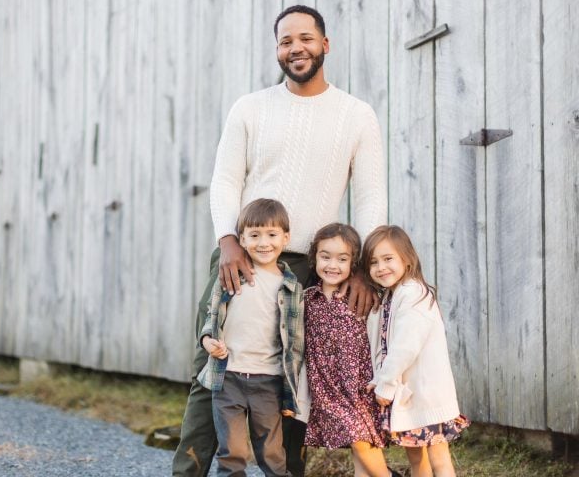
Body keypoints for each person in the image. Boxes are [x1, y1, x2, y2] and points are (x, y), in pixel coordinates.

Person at [172, 4, 388, 477]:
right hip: (242, 256)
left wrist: (361, 269)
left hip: (310, 268)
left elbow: (371, 197)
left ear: (325, 45)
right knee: (212, 369)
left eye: (306, 38)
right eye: (286, 40)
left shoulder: (356, 115)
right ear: (277, 49)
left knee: (294, 379)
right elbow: (226, 180)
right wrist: (227, 241)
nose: (297, 48)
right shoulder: (250, 107)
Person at [198, 198, 303, 476]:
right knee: (232, 452)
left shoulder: (291, 286)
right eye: (254, 235)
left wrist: (292, 391)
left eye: (271, 234)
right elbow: (212, 317)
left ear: (286, 238)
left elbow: (296, 341)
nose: (263, 243)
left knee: (271, 452)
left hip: (267, 381)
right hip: (228, 377)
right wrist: (208, 341)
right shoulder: (232, 276)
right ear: (242, 239)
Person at [363, 226, 470, 477]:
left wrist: (386, 385)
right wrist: (379, 378)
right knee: (415, 457)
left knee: (439, 459)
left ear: (407, 259)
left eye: (388, 259)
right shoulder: (391, 295)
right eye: (373, 262)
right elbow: (384, 346)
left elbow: (404, 347)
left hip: (426, 395)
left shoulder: (413, 294)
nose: (381, 267)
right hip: (410, 398)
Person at [301, 223, 397, 477]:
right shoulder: (309, 298)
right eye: (325, 257)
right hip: (327, 385)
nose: (333, 265)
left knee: (361, 440)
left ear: (353, 263)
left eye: (342, 259)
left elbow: (383, 334)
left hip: (359, 382)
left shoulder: (363, 297)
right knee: (359, 441)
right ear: (314, 258)